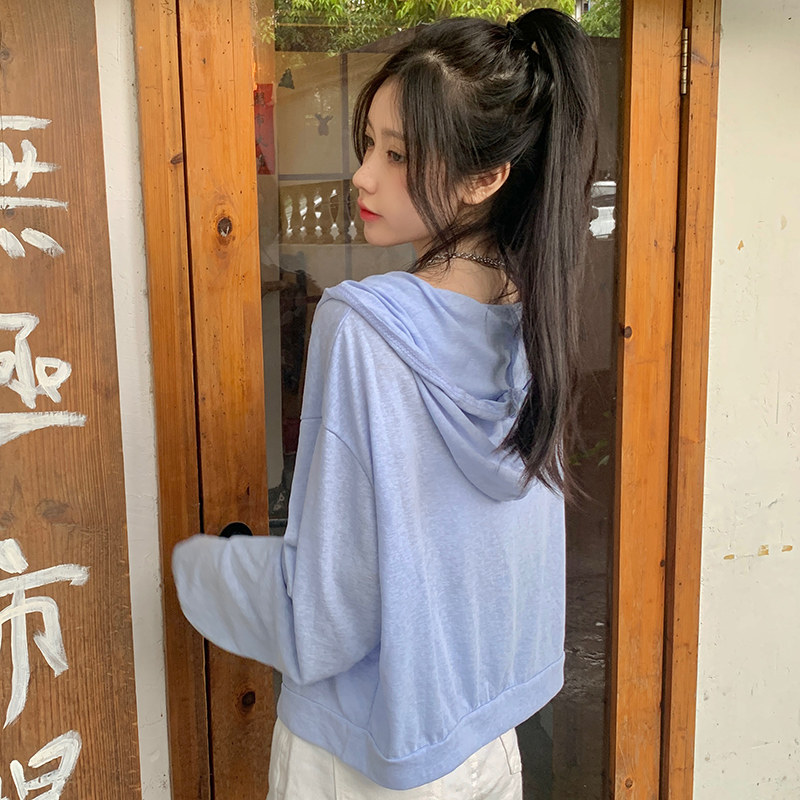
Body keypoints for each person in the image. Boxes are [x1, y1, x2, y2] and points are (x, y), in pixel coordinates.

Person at [172, 8, 598, 798]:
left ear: (485, 178)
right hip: (485, 746)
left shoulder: (362, 327)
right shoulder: (534, 316)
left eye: (397, 155)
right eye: (368, 143)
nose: (364, 175)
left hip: (363, 756)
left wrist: (203, 569)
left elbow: (327, 618)